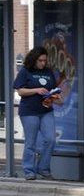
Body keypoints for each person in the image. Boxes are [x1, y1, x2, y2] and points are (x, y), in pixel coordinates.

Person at [13, 46, 63, 181]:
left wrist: (55, 97)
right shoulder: (25, 71)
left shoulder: (48, 72)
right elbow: (20, 91)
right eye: (40, 60)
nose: (43, 63)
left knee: (51, 139)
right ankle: (29, 170)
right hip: (29, 111)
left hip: (46, 110)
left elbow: (53, 89)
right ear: (34, 59)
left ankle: (43, 168)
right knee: (31, 142)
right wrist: (36, 90)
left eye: (44, 61)